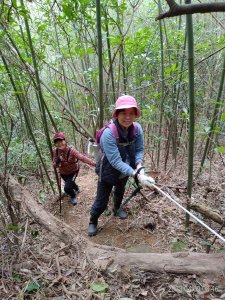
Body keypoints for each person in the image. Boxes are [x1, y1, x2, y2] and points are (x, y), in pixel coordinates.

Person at [88, 95, 155, 236]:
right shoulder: (108, 133)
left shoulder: (137, 129)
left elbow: (139, 149)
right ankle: (93, 220)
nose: (127, 117)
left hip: (126, 171)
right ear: (117, 114)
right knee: (101, 201)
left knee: (120, 190)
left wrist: (139, 166)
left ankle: (117, 208)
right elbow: (115, 161)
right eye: (123, 113)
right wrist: (136, 174)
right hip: (107, 171)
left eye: (131, 113)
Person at [52, 132, 96, 205]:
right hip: (63, 173)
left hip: (73, 171)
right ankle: (77, 188)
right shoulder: (55, 151)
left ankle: (73, 196)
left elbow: (82, 158)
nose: (59, 144)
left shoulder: (71, 150)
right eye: (57, 142)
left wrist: (95, 164)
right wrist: (56, 162)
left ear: (65, 140)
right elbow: (54, 165)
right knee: (70, 183)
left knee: (67, 188)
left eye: (61, 141)